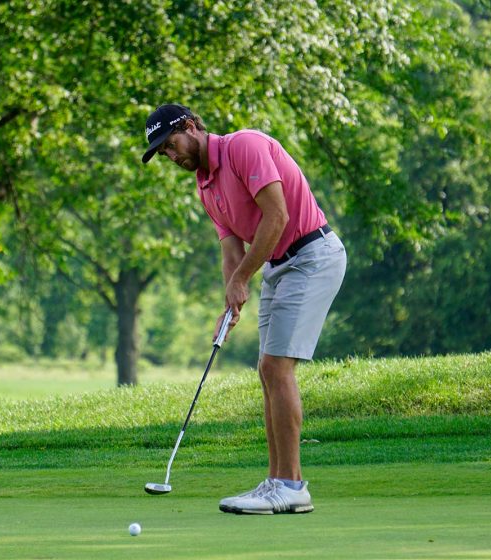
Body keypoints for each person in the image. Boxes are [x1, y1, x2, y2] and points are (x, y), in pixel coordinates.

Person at [142, 104, 346, 514]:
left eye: (170, 144)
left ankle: (292, 485)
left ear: (191, 126)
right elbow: (230, 250)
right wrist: (229, 300)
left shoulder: (244, 147)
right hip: (276, 266)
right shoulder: (205, 186)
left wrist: (242, 280)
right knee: (267, 370)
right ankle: (276, 482)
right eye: (163, 153)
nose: (172, 155)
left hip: (311, 255)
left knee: (276, 367)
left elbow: (277, 216)